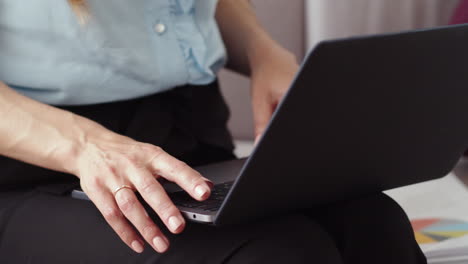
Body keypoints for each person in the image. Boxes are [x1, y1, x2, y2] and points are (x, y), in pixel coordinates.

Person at [0, 0, 427, 263]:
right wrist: (86, 145)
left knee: (375, 224)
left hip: (192, 142)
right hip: (45, 165)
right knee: (279, 255)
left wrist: (262, 51)